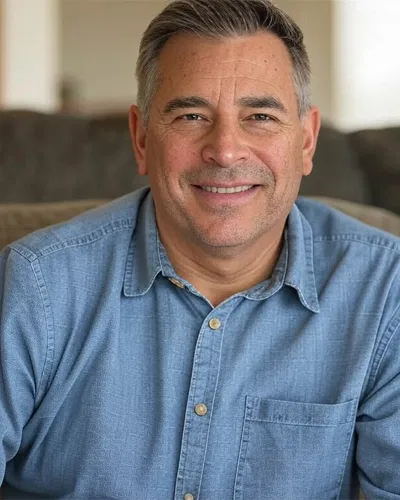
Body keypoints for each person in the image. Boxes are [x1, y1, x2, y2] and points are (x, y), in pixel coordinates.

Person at [0, 0, 399, 498]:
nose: (225, 150)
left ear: (306, 141)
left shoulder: (385, 292)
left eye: (260, 116)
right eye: (191, 115)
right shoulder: (36, 284)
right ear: (141, 137)